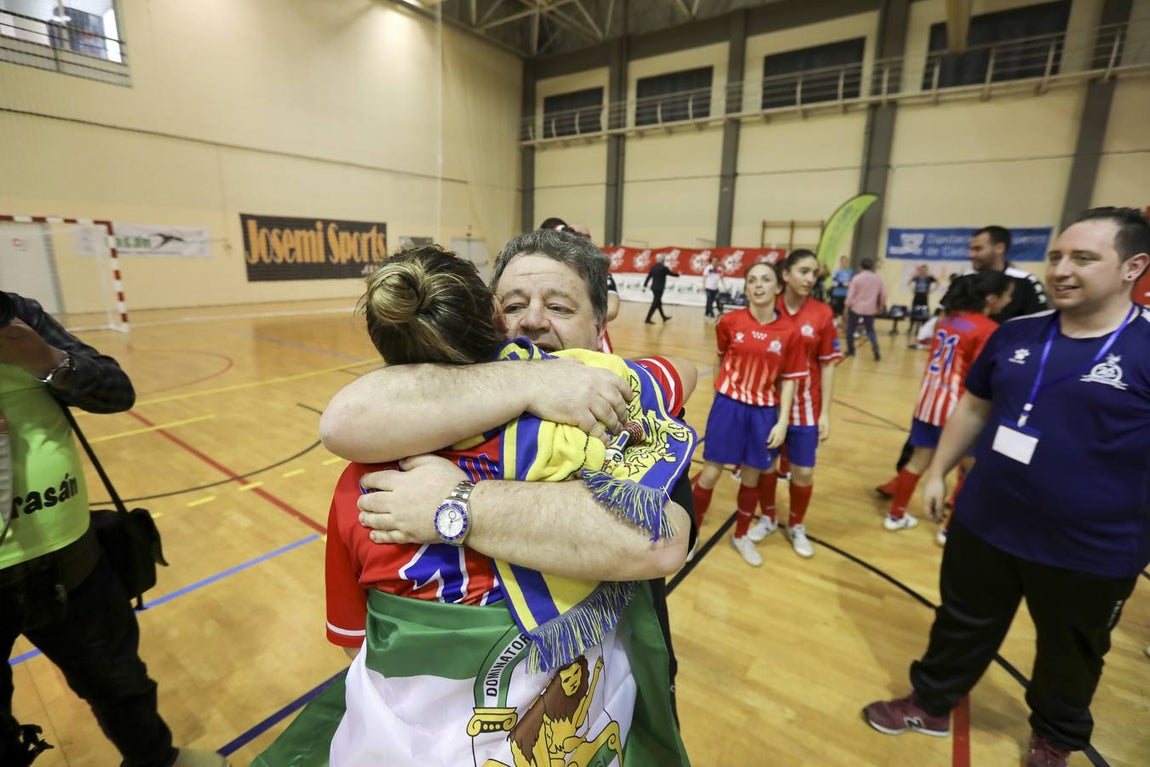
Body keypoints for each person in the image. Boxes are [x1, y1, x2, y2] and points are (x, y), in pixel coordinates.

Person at [258, 245, 695, 766]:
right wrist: (536, 377)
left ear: (604, 320)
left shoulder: (620, 409)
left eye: (559, 307)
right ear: (488, 316)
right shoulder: (377, 447)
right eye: (513, 305)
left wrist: (455, 504)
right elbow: (341, 420)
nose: (532, 320)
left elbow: (657, 539)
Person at [863, 207, 1150, 767]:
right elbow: (974, 406)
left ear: (1133, 266)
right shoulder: (1015, 334)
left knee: (1072, 651)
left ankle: (1055, 737)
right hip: (985, 520)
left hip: (1092, 548)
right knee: (960, 622)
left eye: (1084, 258)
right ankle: (932, 703)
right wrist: (939, 470)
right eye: (1056, 257)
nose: (1062, 270)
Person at [0, 291, 227, 767]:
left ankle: (155, 760)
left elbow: (116, 391)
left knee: (119, 680)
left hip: (70, 556)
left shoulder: (18, 317)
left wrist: (45, 358)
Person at [874, 271, 1013, 536]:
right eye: (1007, 294)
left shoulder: (946, 320)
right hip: (959, 409)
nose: (1009, 300)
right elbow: (981, 376)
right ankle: (948, 530)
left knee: (917, 461)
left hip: (928, 403)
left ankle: (896, 515)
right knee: (968, 469)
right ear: (992, 298)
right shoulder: (987, 329)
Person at [689, 261, 806, 567]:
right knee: (711, 473)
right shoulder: (730, 322)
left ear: (777, 287)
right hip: (729, 406)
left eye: (765, 279)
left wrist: (782, 421)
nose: (758, 285)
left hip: (764, 412)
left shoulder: (790, 333)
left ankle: (740, 535)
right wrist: (720, 398)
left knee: (751, 479)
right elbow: (720, 358)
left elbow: (790, 379)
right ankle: (692, 535)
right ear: (746, 287)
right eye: (752, 280)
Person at [746, 250, 843, 559]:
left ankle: (797, 525)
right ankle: (769, 516)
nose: (810, 278)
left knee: (803, 472)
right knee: (765, 468)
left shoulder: (822, 313)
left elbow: (828, 365)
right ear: (785, 275)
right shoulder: (765, 308)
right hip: (766, 403)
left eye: (814, 273)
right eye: (803, 271)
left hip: (806, 407)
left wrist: (825, 412)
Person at [539, 218, 620, 352]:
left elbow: (613, 307)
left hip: (590, 339)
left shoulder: (598, 268)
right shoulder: (547, 265)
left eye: (585, 237)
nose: (580, 240)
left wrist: (585, 315)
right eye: (574, 235)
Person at [844, 257, 887, 360]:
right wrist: (881, 306)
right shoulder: (878, 279)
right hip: (870, 308)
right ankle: (875, 346)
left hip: (856, 307)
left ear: (861, 266)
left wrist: (846, 306)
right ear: (872, 267)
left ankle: (851, 350)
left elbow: (851, 295)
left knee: (850, 329)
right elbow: (883, 295)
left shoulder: (857, 278)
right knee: (870, 330)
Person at [643, 253, 680, 324]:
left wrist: (644, 286)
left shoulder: (653, 267)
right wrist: (678, 274)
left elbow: (648, 277)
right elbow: (671, 274)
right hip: (660, 288)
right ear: (663, 260)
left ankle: (663, 317)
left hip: (654, 288)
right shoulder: (664, 268)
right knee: (655, 303)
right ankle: (647, 319)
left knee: (658, 303)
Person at [906, 264, 939, 343]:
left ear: (927, 270)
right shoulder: (917, 277)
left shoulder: (929, 278)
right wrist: (912, 289)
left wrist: (931, 291)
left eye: (925, 269)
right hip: (917, 297)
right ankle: (911, 328)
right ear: (920, 270)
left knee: (924, 313)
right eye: (922, 269)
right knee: (914, 311)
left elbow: (938, 283)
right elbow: (909, 282)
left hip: (924, 297)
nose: (923, 271)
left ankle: (923, 329)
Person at [830, 255, 853, 324]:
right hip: (837, 294)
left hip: (847, 294)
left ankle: (844, 325)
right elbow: (834, 283)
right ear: (840, 262)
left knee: (846, 311)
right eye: (843, 261)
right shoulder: (837, 271)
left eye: (846, 261)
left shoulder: (851, 271)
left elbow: (852, 282)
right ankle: (834, 323)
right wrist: (844, 284)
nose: (845, 263)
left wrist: (844, 284)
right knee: (836, 310)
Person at [702, 255, 724, 319]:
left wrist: (724, 285)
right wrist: (703, 285)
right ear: (711, 262)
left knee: (717, 300)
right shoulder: (708, 268)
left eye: (716, 261)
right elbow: (704, 277)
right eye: (713, 261)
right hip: (709, 287)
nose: (715, 262)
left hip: (715, 288)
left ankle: (707, 312)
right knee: (709, 300)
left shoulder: (720, 269)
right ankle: (711, 313)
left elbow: (721, 277)